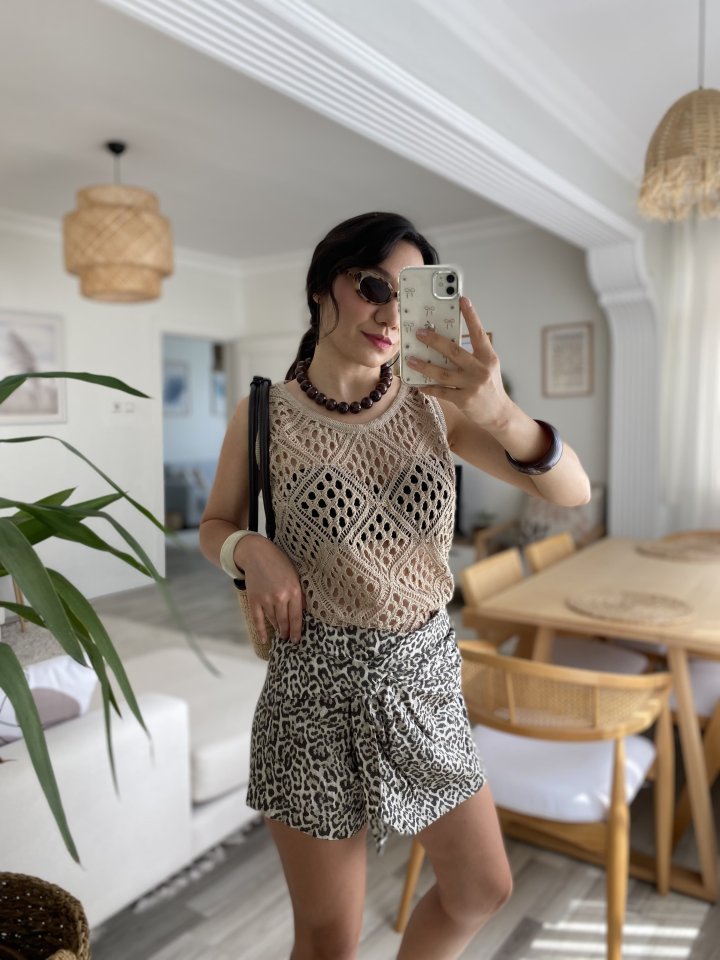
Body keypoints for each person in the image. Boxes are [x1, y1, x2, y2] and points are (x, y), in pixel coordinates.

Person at [199, 211, 591, 960]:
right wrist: (250, 548)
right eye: (373, 286)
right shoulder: (263, 414)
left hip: (424, 682)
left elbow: (572, 492)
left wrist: (498, 411)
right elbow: (215, 523)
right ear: (323, 286)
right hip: (310, 694)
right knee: (328, 938)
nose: (389, 316)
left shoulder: (435, 407)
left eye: (408, 299)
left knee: (481, 888)